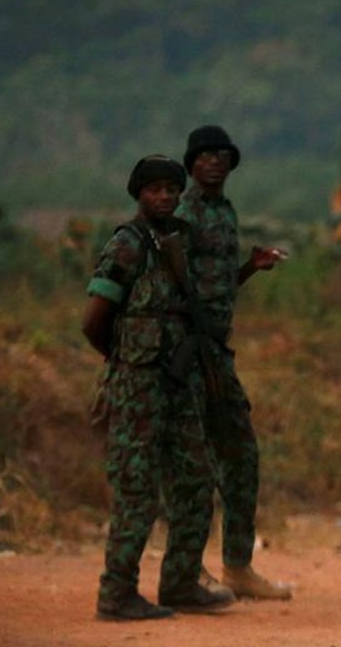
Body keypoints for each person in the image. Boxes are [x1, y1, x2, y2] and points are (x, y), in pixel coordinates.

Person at [83, 155, 234, 620]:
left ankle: (181, 583)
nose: (165, 196)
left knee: (196, 480)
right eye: (155, 190)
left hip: (178, 383)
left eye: (172, 188)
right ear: (139, 194)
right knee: (138, 489)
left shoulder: (179, 242)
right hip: (138, 387)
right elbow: (93, 320)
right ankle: (117, 593)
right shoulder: (127, 245)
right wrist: (126, 357)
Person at [174, 125, 291, 600]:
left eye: (222, 155)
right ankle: (186, 571)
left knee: (241, 456)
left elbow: (216, 288)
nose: (215, 161)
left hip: (218, 352)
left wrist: (249, 268)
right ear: (192, 163)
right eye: (205, 155)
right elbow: (173, 286)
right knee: (192, 465)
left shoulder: (224, 212)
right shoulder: (183, 213)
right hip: (186, 353)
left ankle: (237, 567)